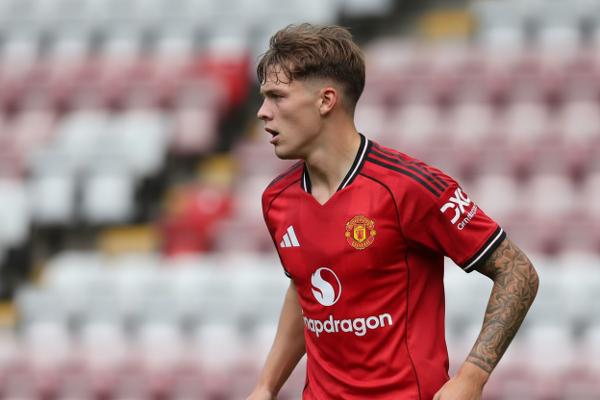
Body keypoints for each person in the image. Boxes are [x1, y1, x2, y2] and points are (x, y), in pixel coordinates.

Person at [247, 23, 539, 400]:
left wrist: (472, 377)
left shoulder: (410, 187)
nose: (262, 113)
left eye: (277, 97)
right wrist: (266, 387)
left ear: (326, 100)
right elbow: (306, 289)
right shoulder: (277, 199)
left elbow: (518, 272)